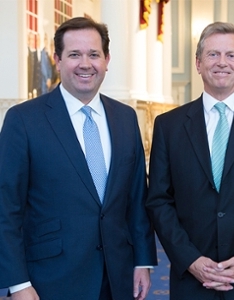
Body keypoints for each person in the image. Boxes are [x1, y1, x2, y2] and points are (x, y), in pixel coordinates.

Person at [0, 17, 157, 300]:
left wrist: (142, 261)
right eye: (74, 54)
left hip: (118, 277)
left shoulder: (125, 118)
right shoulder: (23, 121)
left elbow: (136, 199)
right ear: (57, 60)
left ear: (107, 60)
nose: (86, 64)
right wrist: (17, 284)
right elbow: (5, 208)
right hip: (49, 281)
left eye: (94, 54)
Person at [146, 22, 234, 300]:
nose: (221, 62)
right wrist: (190, 260)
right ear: (198, 63)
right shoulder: (169, 126)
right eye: (213, 55)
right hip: (192, 279)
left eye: (231, 55)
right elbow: (159, 200)